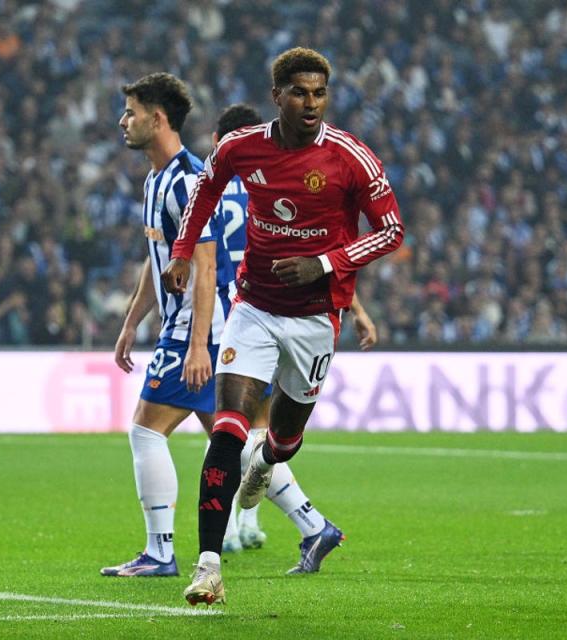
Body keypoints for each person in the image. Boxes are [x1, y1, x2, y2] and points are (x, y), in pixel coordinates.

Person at [161, 48, 404, 605]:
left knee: (286, 438)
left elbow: (391, 230)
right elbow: (204, 192)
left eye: (319, 92)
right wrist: (181, 251)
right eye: (299, 92)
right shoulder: (242, 147)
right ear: (278, 96)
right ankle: (208, 567)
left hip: (317, 318)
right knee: (227, 429)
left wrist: (324, 264)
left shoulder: (350, 157)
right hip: (253, 309)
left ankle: (267, 463)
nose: (311, 102)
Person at [210, 104, 378, 556]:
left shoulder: (236, 187)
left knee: (233, 433)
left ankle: (254, 526)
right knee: (250, 433)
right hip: (263, 313)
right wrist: (357, 309)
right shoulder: (265, 185)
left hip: (240, 317)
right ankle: (255, 524)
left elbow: (314, 253)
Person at [99, 72, 232, 578]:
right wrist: (131, 323)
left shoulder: (190, 182)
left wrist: (198, 345)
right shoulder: (156, 180)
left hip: (198, 330)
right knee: (229, 443)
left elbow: (205, 264)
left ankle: (160, 552)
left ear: (158, 119)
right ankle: (311, 523)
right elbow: (158, 263)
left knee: (145, 432)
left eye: (131, 111)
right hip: (187, 329)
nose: (122, 121)